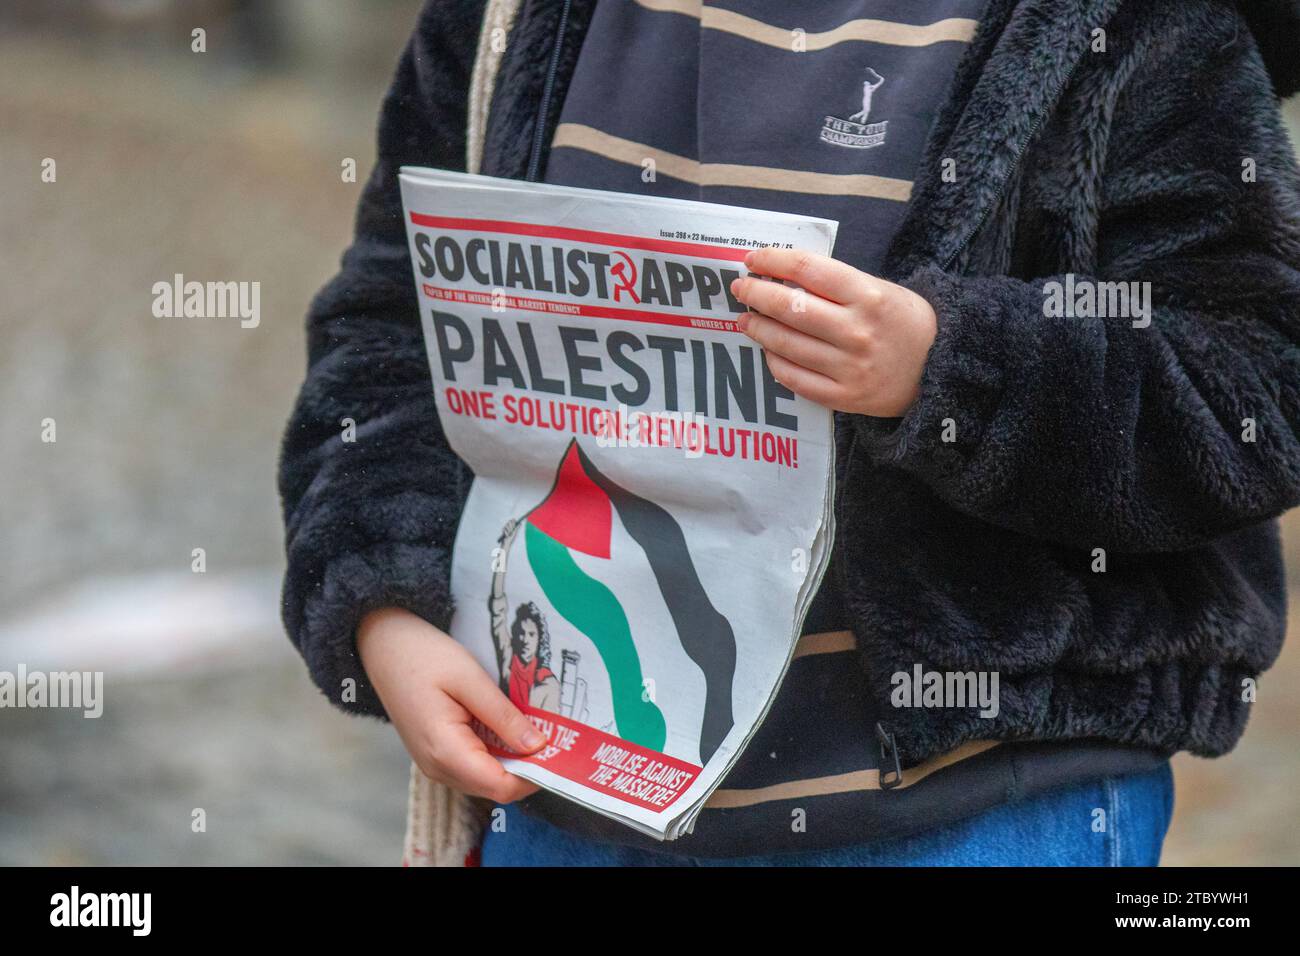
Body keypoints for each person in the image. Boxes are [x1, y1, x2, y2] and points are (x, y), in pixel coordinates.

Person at [278, 0, 1300, 866]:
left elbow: (1252, 383)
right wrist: (383, 604)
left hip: (979, 815)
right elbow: (392, 320)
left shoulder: (1129, 25)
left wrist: (946, 370)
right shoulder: (515, 15)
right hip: (561, 795)